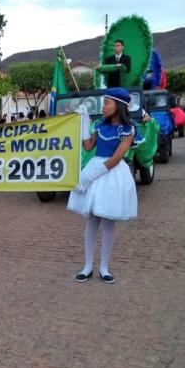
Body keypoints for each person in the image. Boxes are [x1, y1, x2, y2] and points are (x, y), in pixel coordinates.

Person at [68, 88, 138, 283]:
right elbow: (88, 146)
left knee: (108, 221)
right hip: (96, 168)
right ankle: (87, 266)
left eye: (107, 103)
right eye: (103, 103)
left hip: (111, 174)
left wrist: (89, 177)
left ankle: (104, 267)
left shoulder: (128, 129)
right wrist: (84, 123)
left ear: (119, 106)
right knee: (92, 220)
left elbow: (116, 158)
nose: (103, 107)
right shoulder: (99, 125)